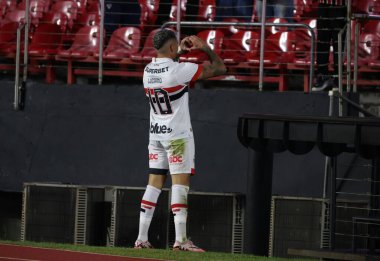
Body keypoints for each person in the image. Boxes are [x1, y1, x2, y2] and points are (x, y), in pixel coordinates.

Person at [134, 29, 226, 252]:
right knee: (180, 185)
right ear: (173, 48)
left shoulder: (148, 70)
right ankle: (181, 240)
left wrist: (179, 52)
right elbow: (220, 68)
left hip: (156, 134)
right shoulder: (178, 71)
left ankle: (141, 238)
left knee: (153, 184)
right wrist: (205, 48)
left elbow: (169, 63)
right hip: (177, 136)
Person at [312, 0, 347, 91]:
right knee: (322, 43)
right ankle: (322, 78)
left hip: (339, 5)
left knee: (338, 44)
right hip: (323, 5)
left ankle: (337, 79)